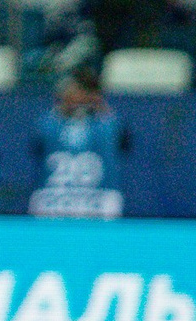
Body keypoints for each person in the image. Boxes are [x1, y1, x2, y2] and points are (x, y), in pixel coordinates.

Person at [27, 66, 128, 219]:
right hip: (53, 201)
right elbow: (37, 148)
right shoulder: (48, 124)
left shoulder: (108, 125)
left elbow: (124, 143)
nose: (76, 96)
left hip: (98, 202)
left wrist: (98, 108)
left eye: (81, 91)